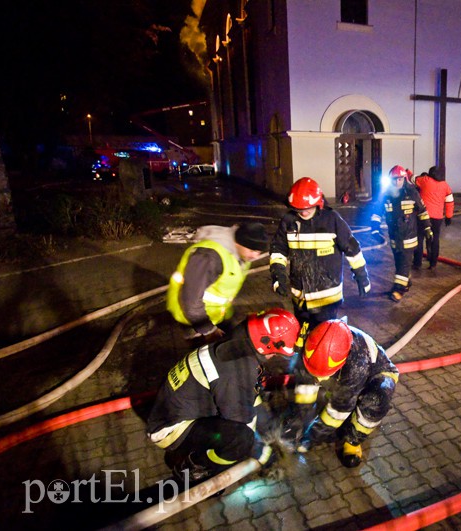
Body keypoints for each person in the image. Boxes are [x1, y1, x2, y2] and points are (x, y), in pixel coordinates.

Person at [146, 308, 301, 481]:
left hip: (174, 410)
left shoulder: (237, 342)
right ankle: (193, 467)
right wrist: (266, 456)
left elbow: (249, 397)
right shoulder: (237, 371)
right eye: (275, 353)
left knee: (245, 421)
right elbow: (242, 423)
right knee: (240, 440)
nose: (273, 357)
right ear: (266, 345)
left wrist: (271, 430)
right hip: (170, 429)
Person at [293, 319, 398, 468]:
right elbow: (304, 379)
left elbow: (339, 408)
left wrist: (313, 436)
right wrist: (302, 416)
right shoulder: (313, 342)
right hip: (342, 373)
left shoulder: (357, 363)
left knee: (374, 401)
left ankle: (353, 441)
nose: (319, 378)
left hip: (375, 376)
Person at [270, 177, 370, 328]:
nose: (303, 212)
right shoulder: (289, 222)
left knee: (322, 341)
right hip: (300, 299)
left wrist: (362, 276)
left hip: (327, 300)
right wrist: (278, 275)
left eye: (307, 207)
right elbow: (278, 249)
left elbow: (352, 249)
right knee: (302, 339)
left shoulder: (332, 220)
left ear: (318, 202)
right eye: (299, 208)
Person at [167, 222, 269, 343]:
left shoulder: (239, 254)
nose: (255, 256)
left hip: (216, 315)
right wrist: (208, 330)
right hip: (195, 321)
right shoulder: (209, 257)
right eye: (252, 250)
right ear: (237, 242)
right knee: (205, 355)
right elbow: (191, 302)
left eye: (259, 252)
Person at [370, 165, 432, 302]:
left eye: (400, 179)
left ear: (404, 179)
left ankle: (399, 289)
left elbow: (422, 211)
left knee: (404, 263)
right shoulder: (385, 195)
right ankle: (406, 281)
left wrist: (427, 228)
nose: (397, 182)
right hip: (394, 237)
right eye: (395, 179)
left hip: (409, 237)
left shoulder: (412, 193)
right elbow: (377, 212)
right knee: (399, 263)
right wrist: (375, 228)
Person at [413, 165, 454, 270]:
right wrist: (449, 216)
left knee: (420, 238)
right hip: (437, 218)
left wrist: (406, 171)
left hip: (423, 216)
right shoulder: (445, 185)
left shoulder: (425, 180)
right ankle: (433, 263)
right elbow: (449, 201)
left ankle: (417, 263)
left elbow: (413, 178)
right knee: (434, 239)